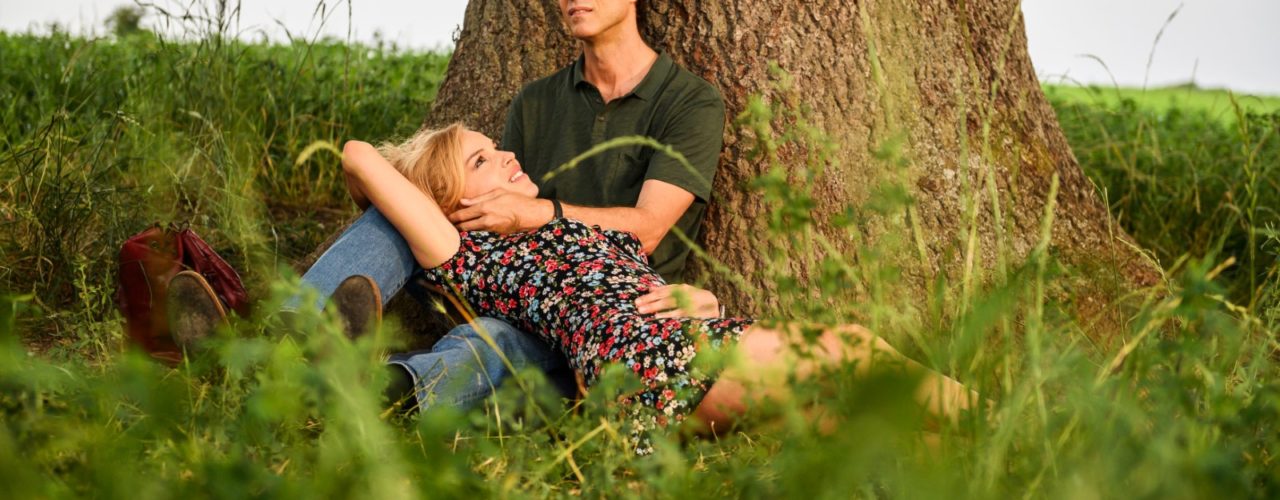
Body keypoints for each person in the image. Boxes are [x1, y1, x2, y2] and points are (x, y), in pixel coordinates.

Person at [170, 0, 729, 415]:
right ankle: (279, 344)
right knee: (397, 217)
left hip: (612, 317)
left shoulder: (687, 101)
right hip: (511, 284)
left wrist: (537, 214)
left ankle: (347, 393)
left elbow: (648, 230)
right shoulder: (537, 101)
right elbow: (489, 202)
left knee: (491, 339)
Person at [340, 123, 980, 454]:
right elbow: (357, 156)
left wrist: (698, 299)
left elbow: (626, 278)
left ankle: (993, 461)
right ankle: (1014, 425)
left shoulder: (556, 223)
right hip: (647, 359)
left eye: (496, 147)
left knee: (866, 425)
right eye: (481, 160)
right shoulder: (468, 252)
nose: (508, 156)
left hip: (668, 349)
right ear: (450, 203)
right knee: (853, 349)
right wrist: (431, 198)